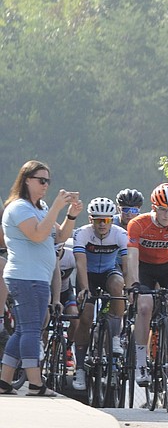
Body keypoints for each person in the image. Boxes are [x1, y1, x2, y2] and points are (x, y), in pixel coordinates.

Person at [0, 160, 82, 396]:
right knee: (32, 330)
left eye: (48, 181)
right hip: (25, 277)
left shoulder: (41, 208)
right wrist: (56, 206)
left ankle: (4, 381)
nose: (46, 185)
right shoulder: (18, 208)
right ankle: (35, 383)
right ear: (27, 180)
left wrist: (71, 215)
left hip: (36, 278)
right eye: (41, 180)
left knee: (23, 330)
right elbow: (37, 235)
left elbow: (60, 235)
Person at [127, 183, 168, 386]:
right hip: (144, 268)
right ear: (154, 207)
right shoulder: (138, 224)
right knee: (145, 307)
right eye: (163, 210)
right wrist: (135, 283)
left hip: (167, 267)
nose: (167, 215)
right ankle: (140, 361)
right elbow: (131, 255)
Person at [72, 197, 130, 391]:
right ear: (91, 220)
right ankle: (79, 367)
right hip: (87, 275)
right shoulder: (81, 234)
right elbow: (80, 263)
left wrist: (129, 288)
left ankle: (114, 337)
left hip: (108, 273)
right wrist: (84, 289)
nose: (102, 224)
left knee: (118, 285)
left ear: (111, 220)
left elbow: (127, 263)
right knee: (86, 318)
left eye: (106, 220)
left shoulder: (120, 234)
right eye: (98, 220)